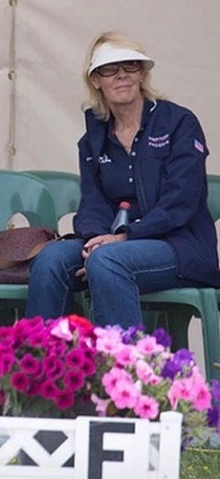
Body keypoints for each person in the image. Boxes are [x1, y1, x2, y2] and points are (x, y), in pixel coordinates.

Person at [26, 30, 220, 328]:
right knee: (51, 260)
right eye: (109, 69)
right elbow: (93, 204)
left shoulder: (179, 122)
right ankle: (44, 368)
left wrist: (126, 236)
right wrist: (94, 240)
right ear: (95, 80)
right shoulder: (92, 139)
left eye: (131, 66)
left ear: (142, 73)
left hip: (181, 247)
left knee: (108, 261)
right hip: (116, 244)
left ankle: (124, 372)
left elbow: (181, 199)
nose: (122, 76)